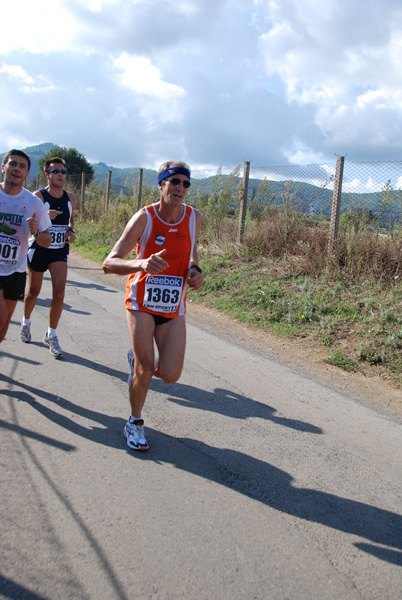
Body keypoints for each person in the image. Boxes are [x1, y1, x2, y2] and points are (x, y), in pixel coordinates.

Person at [102, 161, 203, 451]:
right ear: (161, 185)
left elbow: (193, 254)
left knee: (170, 374)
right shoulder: (144, 218)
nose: (180, 188)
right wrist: (141, 263)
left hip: (173, 306)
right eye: (174, 182)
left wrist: (196, 271)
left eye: (186, 183)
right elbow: (109, 263)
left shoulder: (194, 217)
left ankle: (138, 363)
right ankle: (134, 422)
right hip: (141, 301)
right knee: (147, 369)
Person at [20, 157, 76, 358]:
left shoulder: (70, 197)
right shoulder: (38, 197)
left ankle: (51, 335)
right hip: (39, 249)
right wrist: (44, 215)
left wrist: (70, 231)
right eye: (55, 171)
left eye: (63, 171)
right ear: (47, 175)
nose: (60, 174)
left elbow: (71, 220)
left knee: (59, 294)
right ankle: (26, 322)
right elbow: (28, 225)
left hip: (59, 250)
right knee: (33, 292)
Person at [0, 150, 51, 343]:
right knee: (1, 318)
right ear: (3, 167)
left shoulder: (33, 203)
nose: (17, 169)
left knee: (4, 325)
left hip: (16, 270)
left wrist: (37, 231)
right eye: (13, 164)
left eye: (22, 166)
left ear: (27, 173)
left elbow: (46, 241)